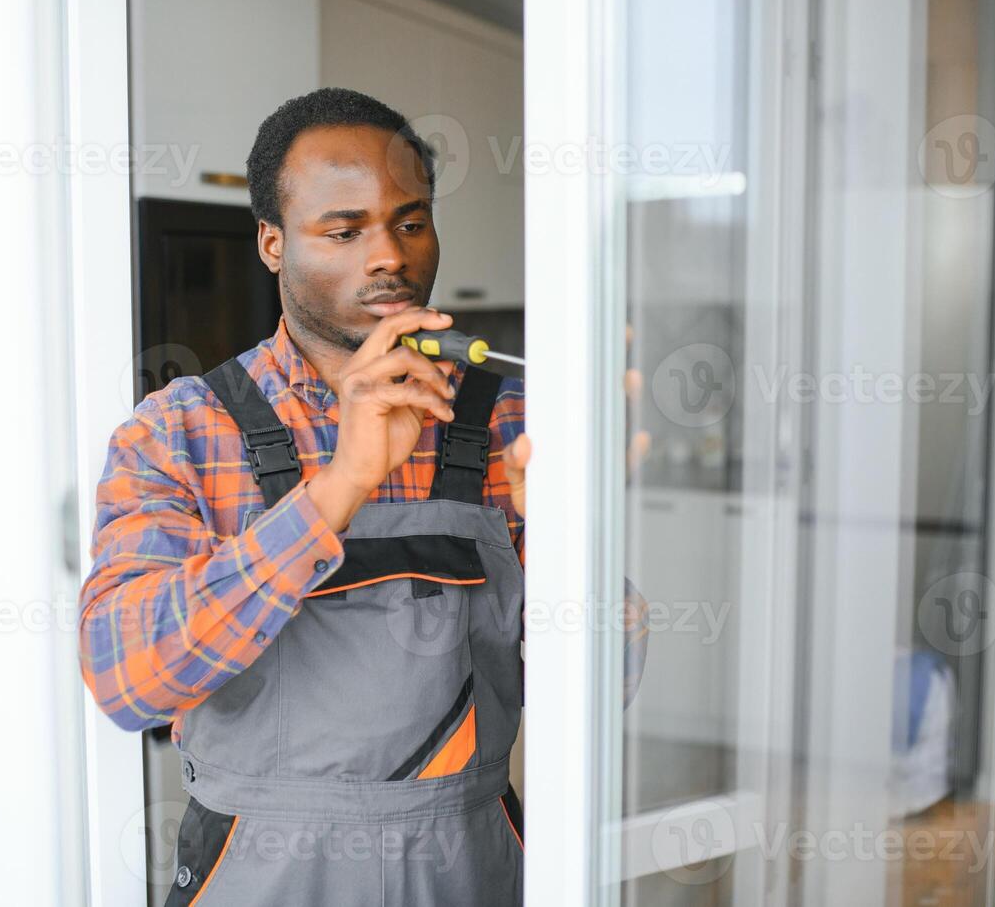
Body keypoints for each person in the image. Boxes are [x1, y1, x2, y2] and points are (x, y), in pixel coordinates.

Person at [78, 87, 647, 906]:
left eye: (409, 223)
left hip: (469, 863)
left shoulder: (509, 422)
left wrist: (575, 546)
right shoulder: (179, 431)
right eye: (343, 231)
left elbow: (603, 692)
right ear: (273, 244)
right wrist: (337, 489)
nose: (389, 255)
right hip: (262, 872)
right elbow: (127, 679)